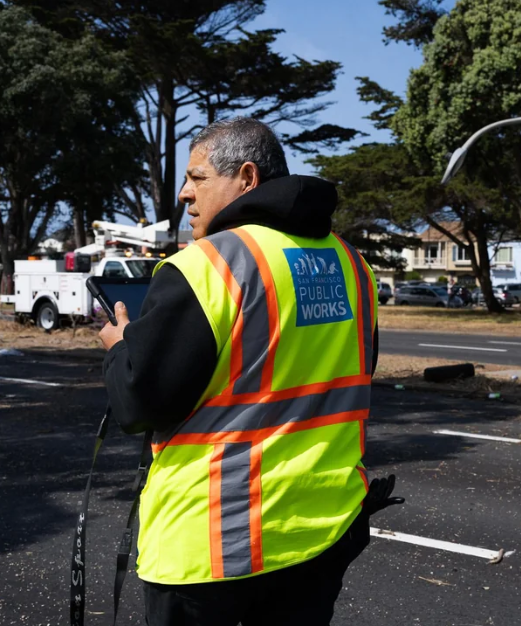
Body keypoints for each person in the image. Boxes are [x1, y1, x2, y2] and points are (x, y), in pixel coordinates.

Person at [98, 117, 401, 626]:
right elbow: (343, 374)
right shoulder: (353, 264)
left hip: (211, 547)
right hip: (319, 535)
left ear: (245, 177)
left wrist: (118, 346)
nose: (183, 194)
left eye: (197, 178)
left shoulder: (206, 266)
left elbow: (138, 401)